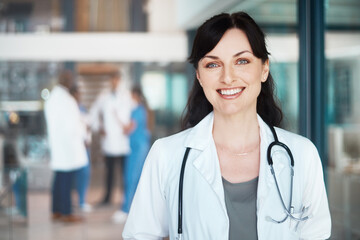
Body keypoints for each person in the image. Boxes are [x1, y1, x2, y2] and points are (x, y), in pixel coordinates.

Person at [122, 12, 331, 239]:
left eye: (242, 61)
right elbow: (140, 235)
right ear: (199, 76)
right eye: (213, 64)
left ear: (264, 69)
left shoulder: (302, 155)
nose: (228, 78)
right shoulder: (166, 155)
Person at [44, 71, 87, 222]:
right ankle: (67, 213)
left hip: (58, 145)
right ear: (67, 81)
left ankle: (56, 210)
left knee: (59, 178)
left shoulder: (52, 98)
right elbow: (74, 125)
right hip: (68, 146)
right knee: (66, 181)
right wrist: (84, 134)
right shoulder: (67, 100)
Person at [90, 71, 132, 206]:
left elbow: (134, 113)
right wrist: (99, 127)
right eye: (112, 79)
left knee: (125, 173)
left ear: (119, 80)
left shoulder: (126, 96)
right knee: (109, 173)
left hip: (123, 140)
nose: (115, 82)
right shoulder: (104, 96)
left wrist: (130, 127)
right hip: (109, 141)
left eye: (117, 79)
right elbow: (94, 112)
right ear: (110, 81)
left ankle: (126, 198)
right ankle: (107, 198)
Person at [112, 85, 151, 223]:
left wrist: (116, 117)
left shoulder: (138, 111)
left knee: (131, 178)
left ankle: (126, 210)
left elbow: (128, 129)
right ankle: (133, 209)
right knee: (134, 178)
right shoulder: (139, 110)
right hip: (137, 147)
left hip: (138, 149)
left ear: (134, 95)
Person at [70, 84, 93, 212]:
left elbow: (88, 125)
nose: (79, 97)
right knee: (73, 175)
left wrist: (87, 139)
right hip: (75, 147)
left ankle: (81, 201)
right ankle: (74, 201)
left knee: (84, 174)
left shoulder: (83, 109)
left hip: (85, 146)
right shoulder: (70, 110)